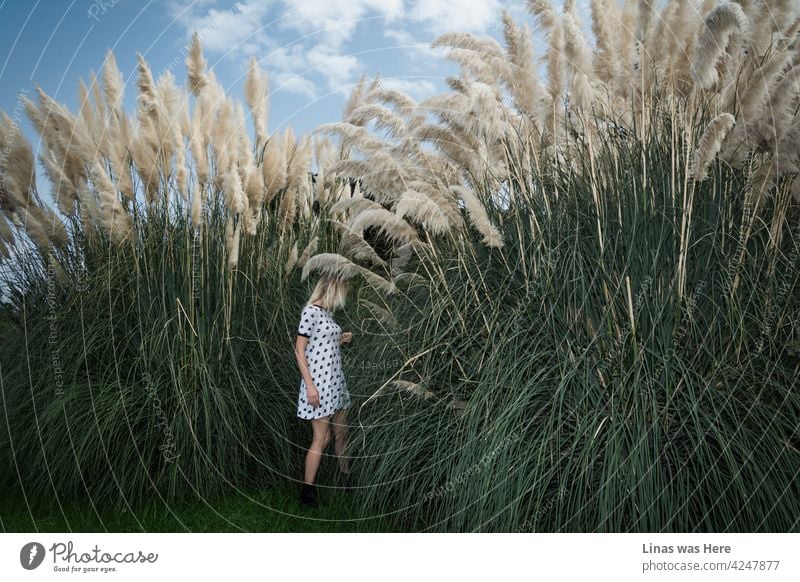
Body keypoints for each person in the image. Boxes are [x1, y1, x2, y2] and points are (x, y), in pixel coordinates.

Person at [294, 275, 353, 508]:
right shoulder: (310, 311)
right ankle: (307, 493)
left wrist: (341, 339)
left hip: (336, 382)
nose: (341, 301)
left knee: (341, 434)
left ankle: (347, 481)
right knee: (322, 437)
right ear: (332, 290)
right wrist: (309, 385)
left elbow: (322, 344)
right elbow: (299, 350)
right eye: (340, 294)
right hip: (319, 384)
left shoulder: (327, 314)